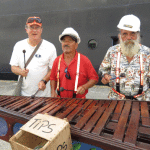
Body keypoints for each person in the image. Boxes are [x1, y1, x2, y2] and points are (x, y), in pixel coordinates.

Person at [99, 14, 150, 101]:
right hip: (116, 100)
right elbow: (103, 70)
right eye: (125, 34)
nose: (128, 38)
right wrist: (105, 76)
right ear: (120, 35)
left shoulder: (147, 53)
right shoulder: (112, 51)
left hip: (142, 100)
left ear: (138, 34)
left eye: (132, 34)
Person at [10, 16, 57, 97]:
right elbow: (13, 67)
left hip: (44, 95)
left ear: (41, 30)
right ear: (26, 30)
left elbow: (53, 69)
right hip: (23, 95)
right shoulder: (18, 45)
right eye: (31, 27)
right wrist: (20, 71)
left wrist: (44, 81)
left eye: (37, 28)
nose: (34, 30)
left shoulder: (50, 47)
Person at [50, 27, 99, 98]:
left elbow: (94, 78)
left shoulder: (84, 60)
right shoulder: (57, 60)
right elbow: (53, 78)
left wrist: (84, 87)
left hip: (79, 103)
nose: (66, 43)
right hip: (60, 101)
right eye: (63, 41)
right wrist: (52, 91)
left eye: (70, 40)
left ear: (76, 45)